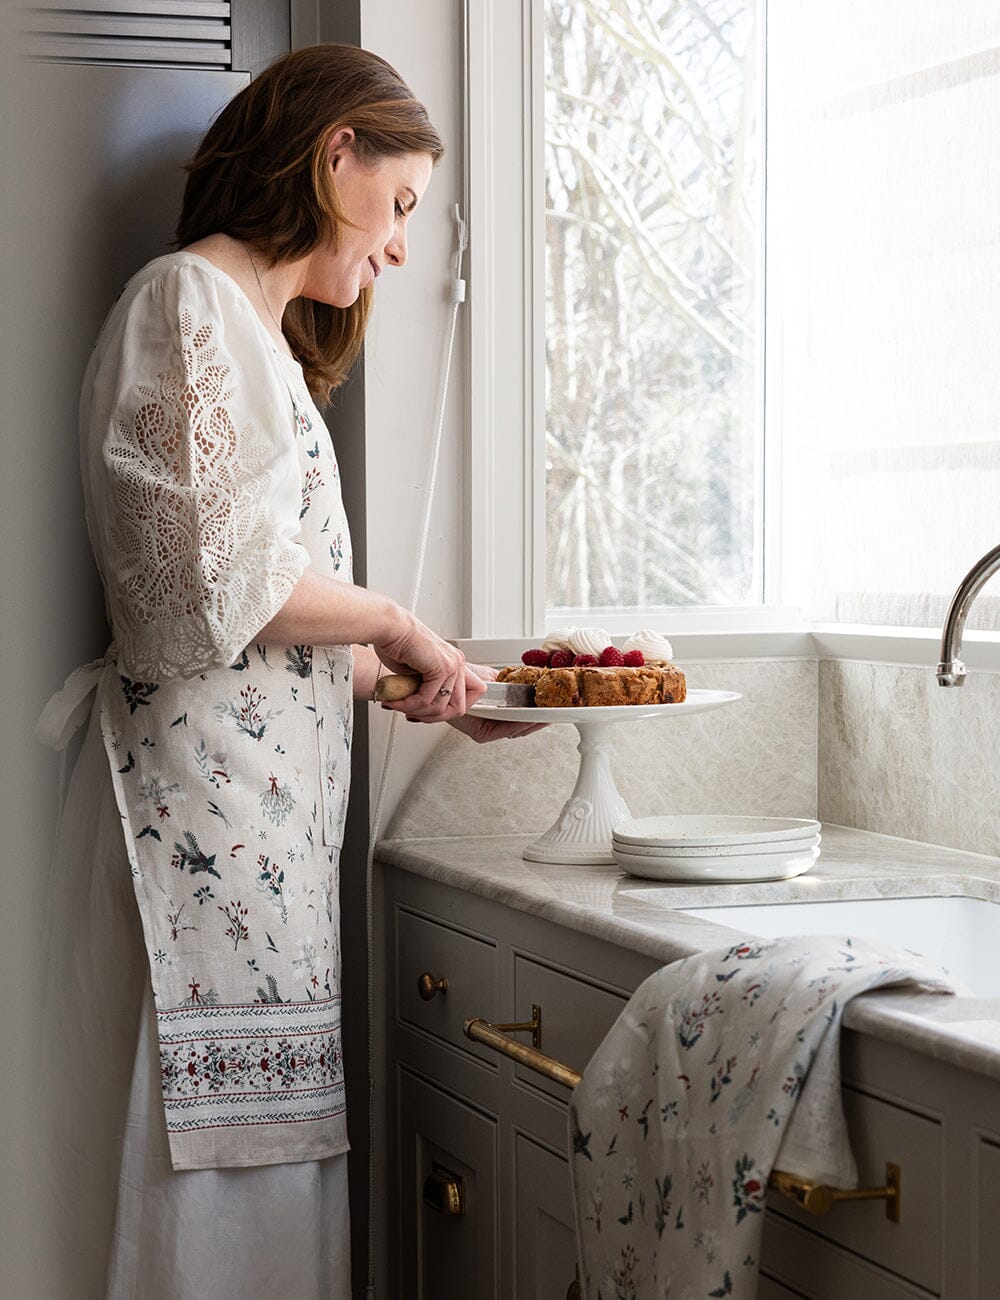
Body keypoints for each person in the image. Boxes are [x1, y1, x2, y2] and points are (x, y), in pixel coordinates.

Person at [36, 43, 539, 1299]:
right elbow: (206, 573)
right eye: (402, 203)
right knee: (191, 1228)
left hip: (249, 869)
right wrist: (393, 621)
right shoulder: (186, 303)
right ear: (335, 158)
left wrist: (400, 686)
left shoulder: (256, 342)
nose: (402, 248)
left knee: (246, 1230)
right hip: (185, 847)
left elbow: (245, 635)